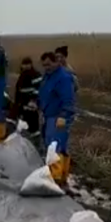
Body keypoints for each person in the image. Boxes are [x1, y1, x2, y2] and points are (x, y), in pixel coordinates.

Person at [38, 51, 76, 188]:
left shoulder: (63, 78)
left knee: (55, 147)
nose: (46, 67)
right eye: (44, 65)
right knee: (59, 146)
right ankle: (62, 176)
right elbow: (44, 93)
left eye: (48, 64)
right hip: (49, 115)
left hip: (59, 116)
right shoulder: (48, 76)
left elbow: (68, 99)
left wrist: (64, 116)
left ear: (56, 62)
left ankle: (55, 177)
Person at [12, 57, 42, 138]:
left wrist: (33, 101)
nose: (25, 66)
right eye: (24, 64)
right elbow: (18, 91)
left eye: (27, 64)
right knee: (24, 124)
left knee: (33, 124)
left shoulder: (35, 75)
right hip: (23, 104)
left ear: (31, 65)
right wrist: (17, 104)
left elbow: (39, 89)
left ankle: (35, 141)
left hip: (32, 105)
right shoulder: (22, 75)